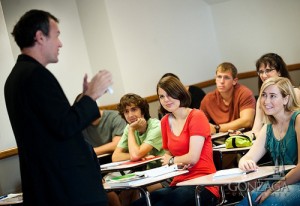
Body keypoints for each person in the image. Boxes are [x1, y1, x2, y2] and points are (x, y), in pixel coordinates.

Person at [4, 10, 112, 206]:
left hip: (46, 186)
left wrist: (83, 100)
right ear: (40, 37)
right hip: (67, 189)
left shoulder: (15, 78)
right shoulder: (36, 75)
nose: (60, 43)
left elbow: (52, 123)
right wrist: (91, 97)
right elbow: (65, 126)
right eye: (57, 35)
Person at [133, 76, 220, 206]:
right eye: (161, 96)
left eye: (169, 94)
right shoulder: (164, 121)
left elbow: (193, 157)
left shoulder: (196, 116)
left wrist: (173, 160)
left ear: (179, 93)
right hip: (179, 182)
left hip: (203, 183)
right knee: (139, 204)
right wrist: (172, 161)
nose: (166, 100)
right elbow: (167, 154)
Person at [237, 77, 300, 206]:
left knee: (270, 202)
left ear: (286, 99)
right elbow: (248, 157)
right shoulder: (267, 128)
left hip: (295, 182)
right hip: (278, 182)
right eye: (264, 96)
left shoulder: (298, 120)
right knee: (246, 202)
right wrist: (245, 162)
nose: (266, 101)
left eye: (273, 96)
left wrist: (272, 189)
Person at [111, 93, 165, 206]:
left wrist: (131, 131)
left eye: (134, 109)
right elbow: (115, 157)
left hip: (165, 175)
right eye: (126, 111)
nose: (130, 115)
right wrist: (141, 156)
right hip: (146, 174)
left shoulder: (156, 126)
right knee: (124, 193)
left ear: (143, 111)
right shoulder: (130, 127)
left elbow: (135, 156)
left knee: (137, 192)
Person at [250, 53, 300, 136]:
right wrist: (242, 137)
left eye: (268, 70)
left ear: (279, 72)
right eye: (261, 72)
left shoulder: (295, 92)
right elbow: (256, 129)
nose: (264, 75)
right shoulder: (261, 99)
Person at [200, 62, 256, 134]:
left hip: (244, 137)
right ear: (215, 79)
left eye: (226, 77)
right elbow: (200, 124)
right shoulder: (208, 99)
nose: (221, 81)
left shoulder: (245, 93)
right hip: (220, 139)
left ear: (234, 81)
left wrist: (217, 128)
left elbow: (247, 121)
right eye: (219, 77)